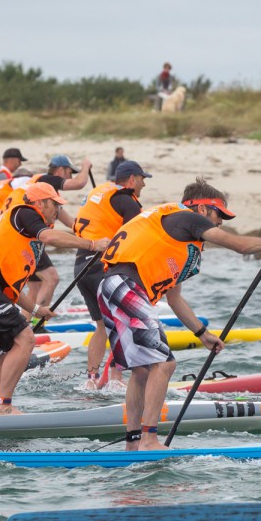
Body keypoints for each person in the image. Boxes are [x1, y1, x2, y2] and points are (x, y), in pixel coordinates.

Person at [100, 179, 261, 450]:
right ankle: (150, 440)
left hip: (110, 286)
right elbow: (240, 246)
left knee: (142, 370)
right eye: (219, 215)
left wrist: (202, 334)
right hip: (125, 286)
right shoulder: (187, 218)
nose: (220, 222)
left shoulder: (173, 234)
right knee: (164, 364)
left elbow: (174, 298)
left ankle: (133, 443)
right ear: (202, 209)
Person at [0, 181, 109, 413]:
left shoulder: (23, 237)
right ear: (39, 202)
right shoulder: (25, 213)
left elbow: (10, 289)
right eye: (54, 204)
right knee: (26, 340)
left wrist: (36, 310)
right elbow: (50, 238)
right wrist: (93, 244)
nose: (57, 210)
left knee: (1, 355)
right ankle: (4, 407)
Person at [73, 160, 149, 389]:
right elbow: (139, 238)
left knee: (101, 326)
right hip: (102, 267)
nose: (144, 184)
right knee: (121, 322)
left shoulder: (99, 193)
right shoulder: (126, 200)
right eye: (142, 179)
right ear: (133, 180)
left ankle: (91, 380)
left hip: (80, 267)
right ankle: (116, 379)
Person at [1, 153, 94, 312]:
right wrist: (85, 166)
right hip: (20, 236)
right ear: (59, 170)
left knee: (36, 285)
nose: (70, 176)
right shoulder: (45, 180)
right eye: (69, 172)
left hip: (16, 236)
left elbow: (72, 223)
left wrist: (95, 232)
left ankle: (28, 325)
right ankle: (39, 324)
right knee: (51, 278)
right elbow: (79, 183)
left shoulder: (47, 196)